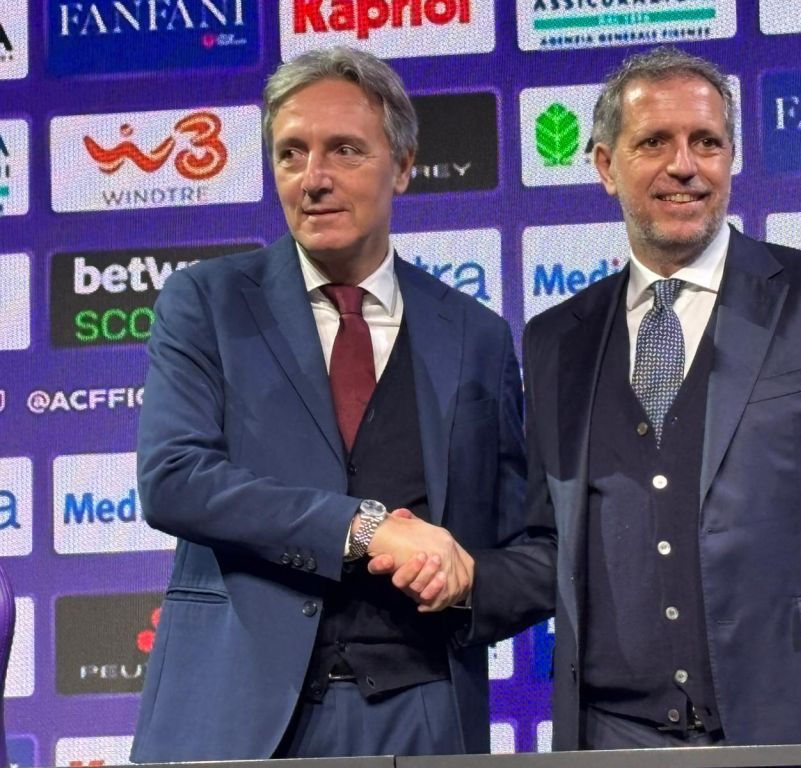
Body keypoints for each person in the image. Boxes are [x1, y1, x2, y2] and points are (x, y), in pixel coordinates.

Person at [402, 46, 801, 750]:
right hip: (614, 742)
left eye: (707, 142)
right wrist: (466, 578)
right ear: (605, 165)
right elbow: (553, 548)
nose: (684, 165)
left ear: (731, 158)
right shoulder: (556, 339)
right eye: (654, 143)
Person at [130, 46, 526, 762]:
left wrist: (468, 580)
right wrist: (364, 529)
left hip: (424, 716)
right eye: (291, 153)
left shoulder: (477, 335)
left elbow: (524, 541)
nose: (314, 178)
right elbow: (174, 479)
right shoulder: (207, 303)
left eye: (345, 150)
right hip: (238, 714)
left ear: (402, 166)